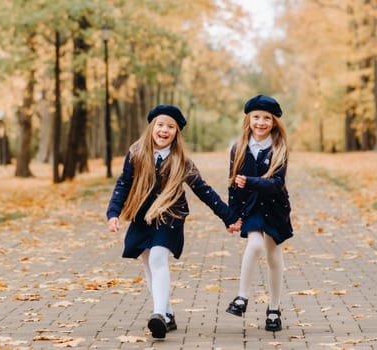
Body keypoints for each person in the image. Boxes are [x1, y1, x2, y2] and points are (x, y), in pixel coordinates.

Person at [106, 104, 241, 339]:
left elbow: (204, 191)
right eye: (160, 125)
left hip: (171, 215)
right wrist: (113, 213)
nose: (164, 130)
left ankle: (158, 314)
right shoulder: (137, 152)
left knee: (158, 257)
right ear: (152, 127)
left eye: (171, 127)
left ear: (177, 133)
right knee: (148, 263)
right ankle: (167, 313)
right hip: (142, 215)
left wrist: (228, 217)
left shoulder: (182, 161)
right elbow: (123, 183)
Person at [225, 95, 293, 332]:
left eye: (266, 118)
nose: (261, 122)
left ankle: (274, 309)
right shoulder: (238, 148)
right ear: (248, 119)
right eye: (256, 117)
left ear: (274, 122)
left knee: (274, 256)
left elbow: (277, 182)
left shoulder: (279, 148)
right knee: (254, 245)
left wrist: (251, 181)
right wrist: (231, 215)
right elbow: (234, 185)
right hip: (252, 207)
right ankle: (242, 297)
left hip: (274, 207)